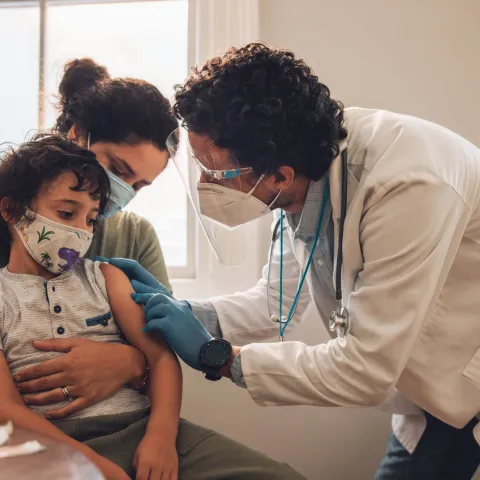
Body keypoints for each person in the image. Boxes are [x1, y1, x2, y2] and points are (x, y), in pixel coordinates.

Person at [107, 43, 480, 479]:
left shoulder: (406, 184)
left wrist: (221, 358)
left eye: (214, 172)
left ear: (279, 173)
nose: (206, 184)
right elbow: (275, 302)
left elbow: (365, 370)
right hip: (428, 388)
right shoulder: (298, 181)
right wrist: (191, 313)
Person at [8, 58, 305, 479]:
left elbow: (163, 348)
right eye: (117, 169)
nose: (120, 193)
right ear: (77, 135)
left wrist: (127, 364)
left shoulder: (131, 241)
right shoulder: (16, 224)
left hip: (133, 424)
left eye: (140, 186)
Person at [0, 134, 181, 480]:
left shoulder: (106, 276)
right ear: (11, 210)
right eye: (67, 213)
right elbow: (5, 408)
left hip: (138, 426)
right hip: (47, 443)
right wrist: (89, 461)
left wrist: (161, 436)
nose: (82, 231)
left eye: (91, 219)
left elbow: (160, 357)